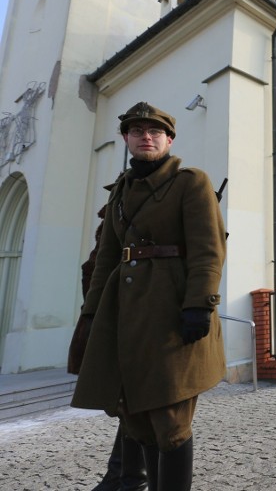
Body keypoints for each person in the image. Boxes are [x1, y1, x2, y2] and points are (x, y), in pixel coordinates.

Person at [71, 102, 227, 491]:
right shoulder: (122, 190)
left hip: (172, 312)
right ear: (125, 139)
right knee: (136, 418)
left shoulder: (191, 181)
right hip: (124, 316)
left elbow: (209, 249)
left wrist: (199, 305)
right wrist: (90, 315)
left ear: (169, 139)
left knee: (170, 421)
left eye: (155, 131)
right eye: (137, 131)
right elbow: (107, 257)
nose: (146, 136)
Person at [70, 204, 147, 491]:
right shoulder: (116, 215)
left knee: (137, 403)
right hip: (113, 313)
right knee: (128, 403)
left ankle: (125, 479)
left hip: (132, 313)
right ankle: (123, 478)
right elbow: (96, 267)